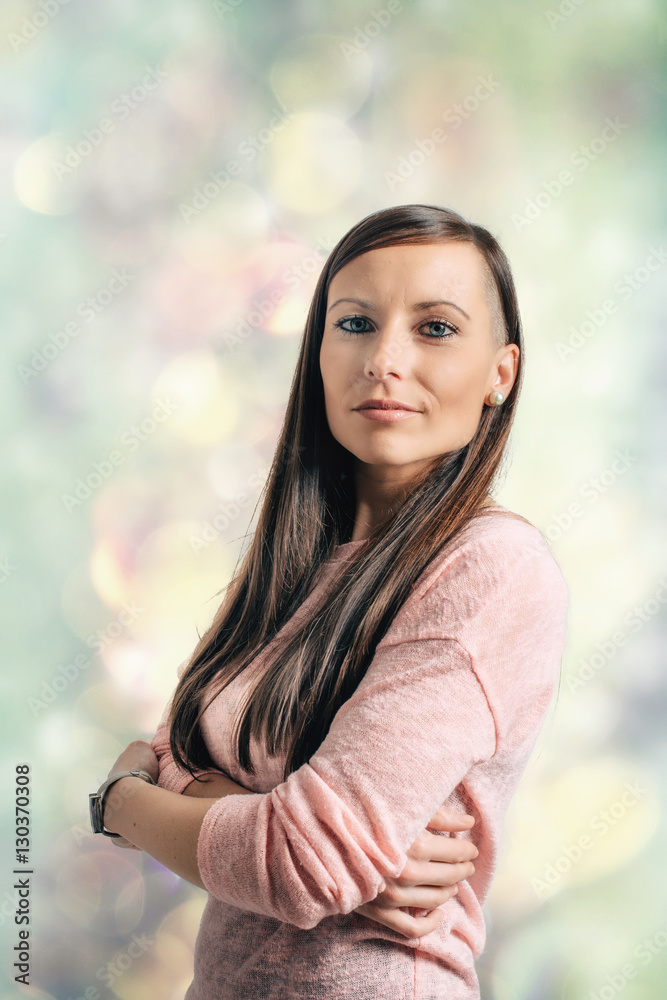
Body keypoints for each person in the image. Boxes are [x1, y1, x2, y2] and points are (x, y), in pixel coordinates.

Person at [97, 203, 569, 999]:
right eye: (354, 324)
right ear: (317, 352)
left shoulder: (490, 569)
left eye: (436, 328)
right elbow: (179, 745)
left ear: (500, 373)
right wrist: (285, 831)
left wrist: (121, 803)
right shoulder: (292, 562)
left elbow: (294, 863)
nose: (383, 360)